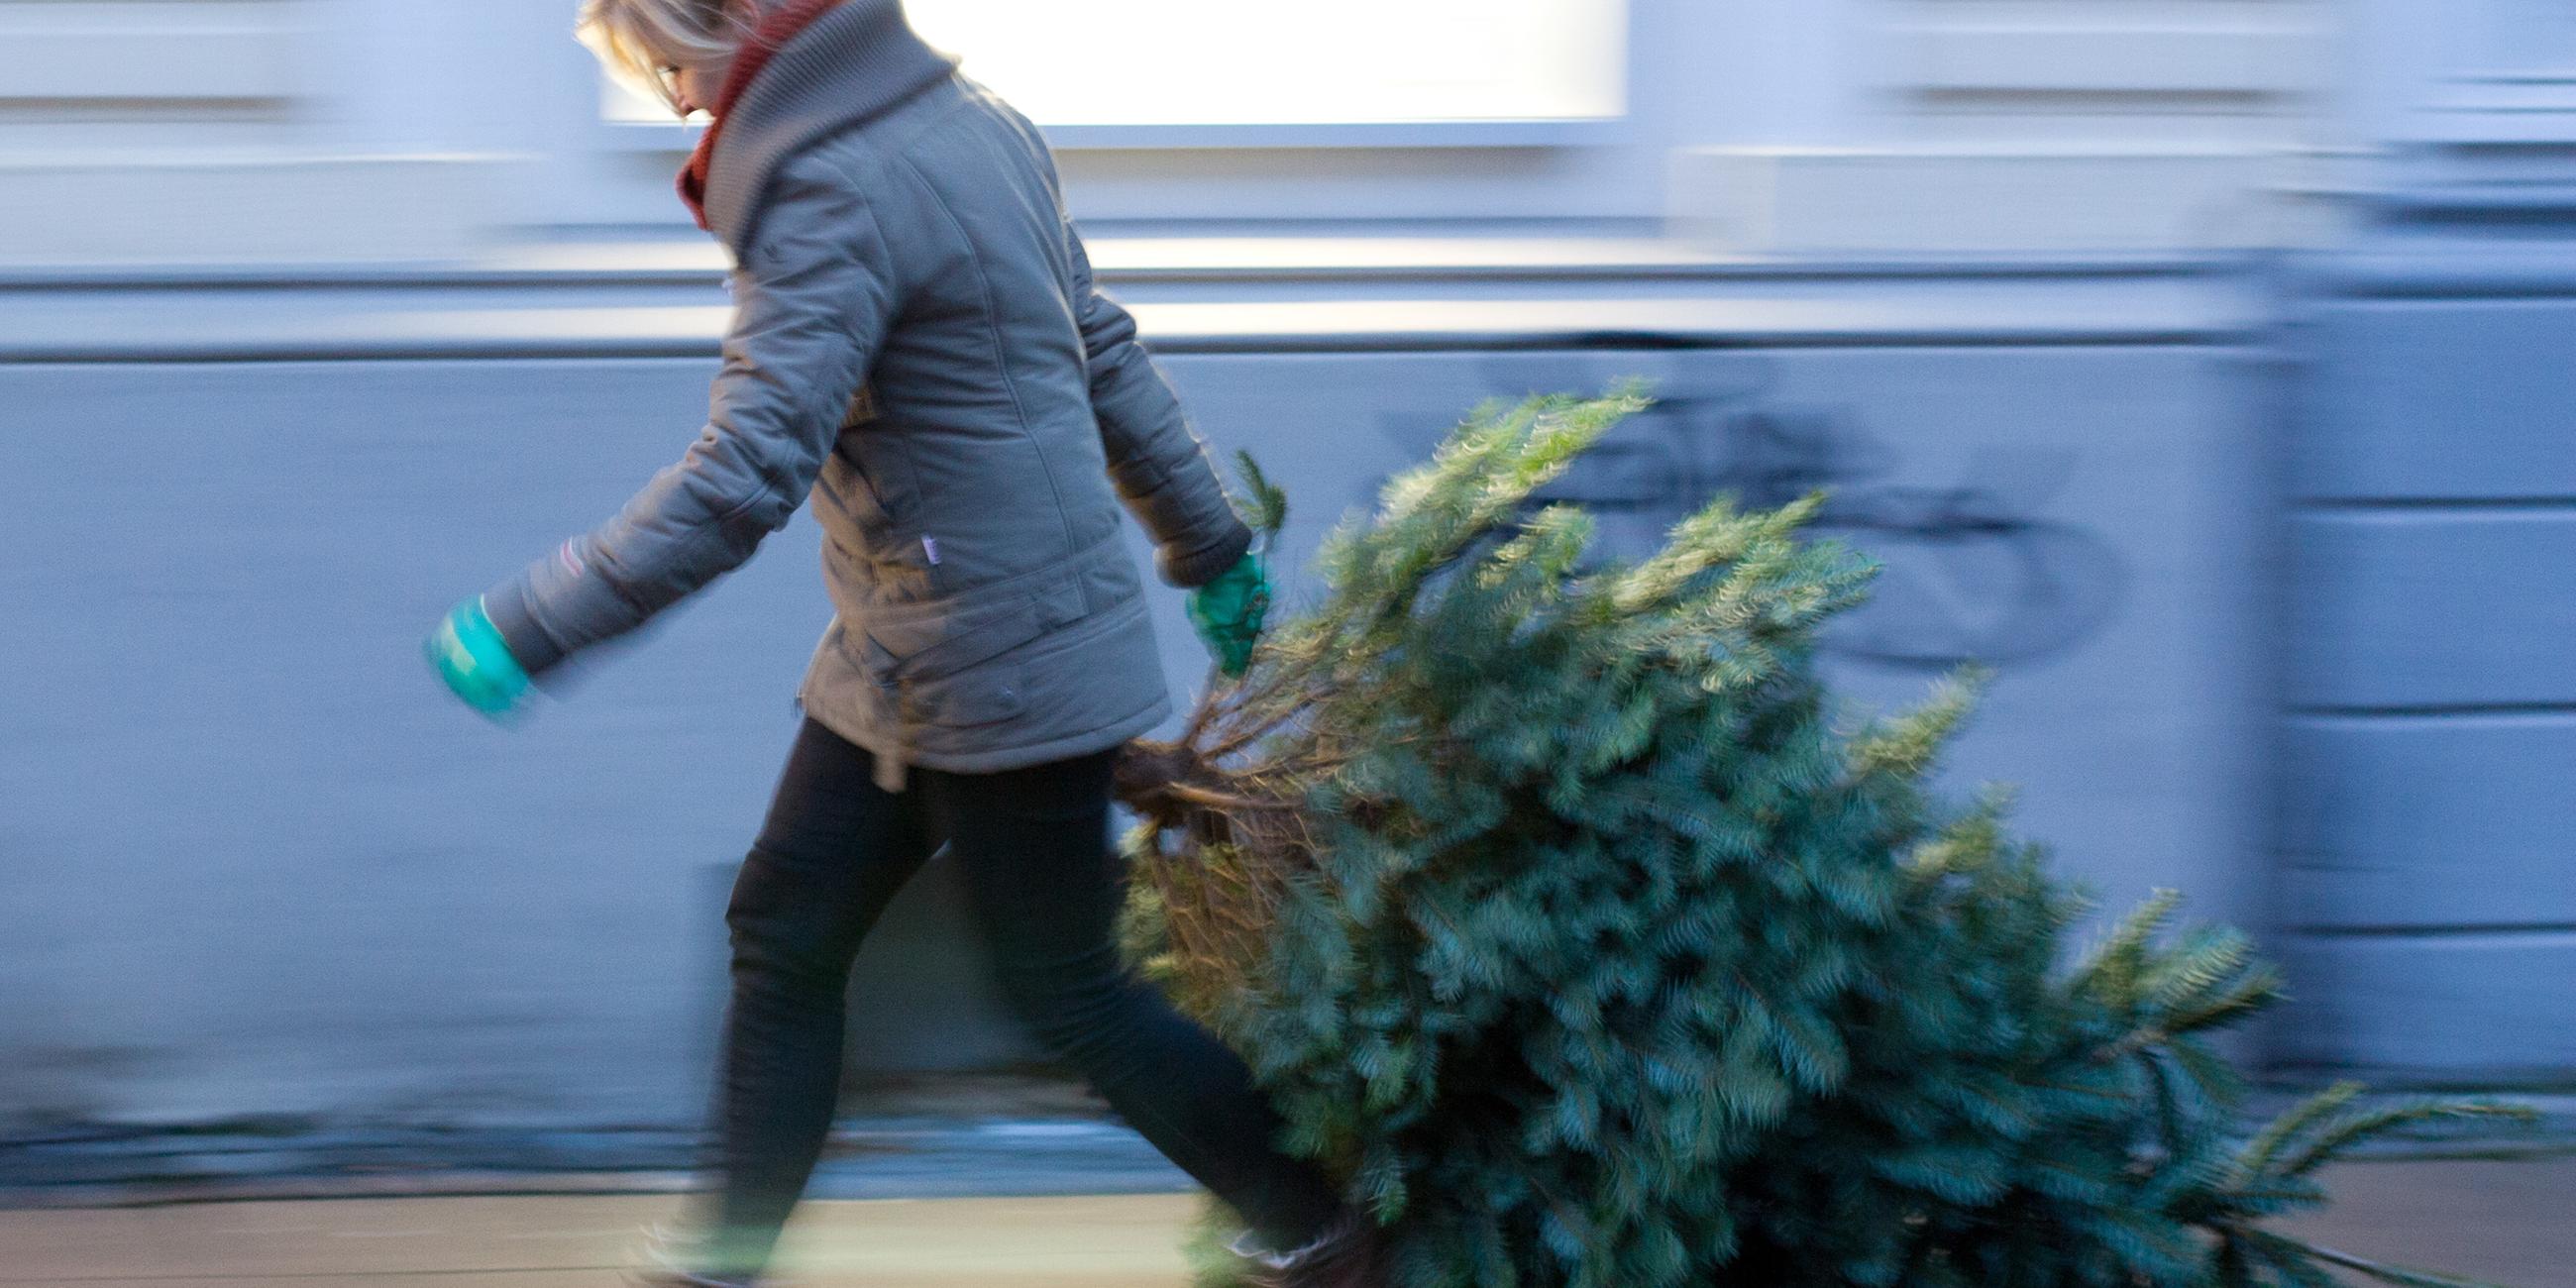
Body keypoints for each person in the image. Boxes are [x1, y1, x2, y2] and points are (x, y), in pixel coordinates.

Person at [422, 2, 1379, 1284]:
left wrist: (538, 619)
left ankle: (1329, 1232)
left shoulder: (824, 186)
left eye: (664, 67)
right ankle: (722, 1257)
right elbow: (1099, 348)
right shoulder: (970, 117)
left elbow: (747, 472)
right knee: (788, 923)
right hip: (909, 645)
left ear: (726, 18)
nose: (676, 106)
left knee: (1068, 992)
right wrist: (1208, 548)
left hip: (998, 653)